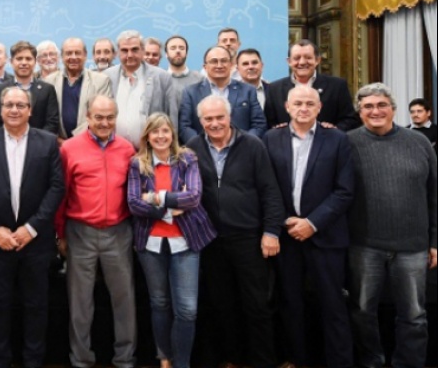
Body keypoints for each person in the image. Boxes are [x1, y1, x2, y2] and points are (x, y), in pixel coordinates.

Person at [0, 87, 65, 368]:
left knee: (36, 306)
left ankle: (33, 361)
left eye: (20, 105)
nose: (14, 110)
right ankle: (0, 361)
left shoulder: (48, 142)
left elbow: (56, 188)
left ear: (30, 110)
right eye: (9, 104)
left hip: (36, 242)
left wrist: (31, 228)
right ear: (0, 110)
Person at [186, 96, 283, 368]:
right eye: (208, 119)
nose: (215, 123)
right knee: (221, 304)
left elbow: (270, 192)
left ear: (230, 117)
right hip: (210, 240)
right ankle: (232, 358)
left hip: (249, 238)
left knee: (257, 305)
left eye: (220, 117)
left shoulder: (252, 145)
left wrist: (271, 231)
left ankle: (263, 361)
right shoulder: (192, 149)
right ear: (200, 121)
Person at [263, 86, 355, 368]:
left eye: (309, 103)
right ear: (287, 107)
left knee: (333, 305)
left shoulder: (338, 139)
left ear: (319, 107)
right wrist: (285, 220)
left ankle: (339, 362)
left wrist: (312, 223)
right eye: (298, 103)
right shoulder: (271, 138)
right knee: (291, 304)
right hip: (287, 235)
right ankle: (297, 360)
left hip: (326, 235)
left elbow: (345, 191)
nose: (303, 108)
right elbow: (266, 186)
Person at [346, 83, 436, 368]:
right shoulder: (346, 144)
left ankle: (408, 363)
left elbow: (434, 194)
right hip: (364, 246)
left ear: (393, 109)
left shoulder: (419, 143)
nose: (376, 111)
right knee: (362, 312)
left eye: (381, 105)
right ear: (360, 112)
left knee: (414, 315)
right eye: (368, 106)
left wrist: (435, 240)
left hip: (413, 247)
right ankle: (372, 361)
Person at [127, 113, 216, 368]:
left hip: (185, 242)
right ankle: (164, 358)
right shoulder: (137, 164)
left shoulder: (187, 158)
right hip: (151, 244)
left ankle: (182, 363)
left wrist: (156, 197)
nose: (160, 136)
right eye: (155, 132)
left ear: (172, 134)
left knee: (187, 309)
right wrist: (169, 210)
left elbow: (194, 197)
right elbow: (134, 203)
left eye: (165, 131)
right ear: (147, 137)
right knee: (159, 303)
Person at [56, 95, 137, 368]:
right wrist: (61, 234)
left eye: (110, 117)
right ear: (88, 117)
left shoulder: (127, 149)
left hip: (119, 232)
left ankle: (125, 359)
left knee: (124, 300)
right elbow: (61, 194)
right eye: (99, 117)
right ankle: (81, 359)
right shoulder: (69, 149)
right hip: (80, 232)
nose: (104, 123)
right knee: (80, 303)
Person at [178, 46, 266, 144]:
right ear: (205, 67)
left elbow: (259, 125)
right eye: (214, 61)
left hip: (242, 149)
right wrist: (201, 147)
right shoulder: (191, 92)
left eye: (224, 61)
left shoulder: (248, 90)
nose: (219, 65)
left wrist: (243, 145)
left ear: (231, 64)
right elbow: (184, 127)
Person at [103, 31, 177, 147]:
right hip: (114, 150)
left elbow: (172, 118)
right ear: (117, 53)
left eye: (134, 49)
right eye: (124, 50)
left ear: (142, 50)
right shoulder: (106, 77)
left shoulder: (162, 77)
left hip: (151, 150)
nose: (130, 55)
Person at [264, 40, 359, 130]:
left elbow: (350, 119)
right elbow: (269, 123)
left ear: (317, 60)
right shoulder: (274, 89)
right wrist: (279, 131)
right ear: (289, 61)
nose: (302, 62)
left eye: (308, 58)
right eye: (297, 58)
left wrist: (334, 131)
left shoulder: (337, 86)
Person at [43, 38, 113, 140]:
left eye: (77, 53)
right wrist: (58, 141)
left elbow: (102, 115)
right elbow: (46, 117)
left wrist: (74, 143)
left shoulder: (101, 81)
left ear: (85, 55)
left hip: (90, 143)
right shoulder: (49, 81)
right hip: (58, 144)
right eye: (69, 53)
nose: (73, 57)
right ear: (62, 56)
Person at [0, 41, 60, 134]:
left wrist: (36, 140)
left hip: (39, 142)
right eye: (19, 59)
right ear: (11, 62)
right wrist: (12, 140)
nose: (24, 62)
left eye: (28, 59)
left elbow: (52, 123)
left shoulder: (47, 89)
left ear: (35, 62)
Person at [164, 35, 204, 101]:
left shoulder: (199, 79)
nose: (178, 51)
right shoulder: (160, 79)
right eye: (173, 48)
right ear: (166, 54)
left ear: (186, 53)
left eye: (181, 48)